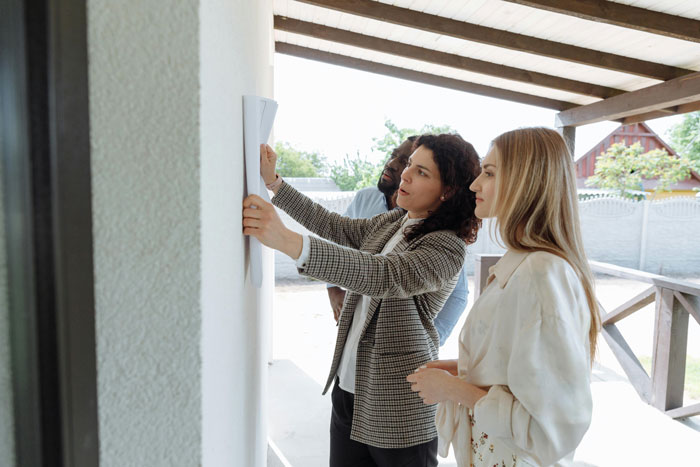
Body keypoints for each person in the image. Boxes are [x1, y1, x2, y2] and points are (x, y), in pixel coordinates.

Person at [243, 134, 481, 466]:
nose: (406, 174)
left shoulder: (447, 246)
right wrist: (275, 183)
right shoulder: (397, 221)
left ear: (449, 190)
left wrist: (286, 240)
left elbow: (383, 275)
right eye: (410, 164)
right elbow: (335, 225)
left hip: (399, 406)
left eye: (422, 172)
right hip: (350, 389)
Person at [407, 127, 601, 467]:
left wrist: (452, 389)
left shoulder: (542, 274)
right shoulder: (524, 264)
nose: (475, 184)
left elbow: (548, 428)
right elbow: (520, 371)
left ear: (526, 182)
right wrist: (459, 370)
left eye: (490, 173)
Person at [327, 136, 469, 346]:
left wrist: (424, 344)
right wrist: (333, 288)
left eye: (415, 167)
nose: (395, 166)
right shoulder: (371, 203)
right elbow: (338, 233)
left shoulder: (443, 241)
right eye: (402, 159)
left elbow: (380, 274)